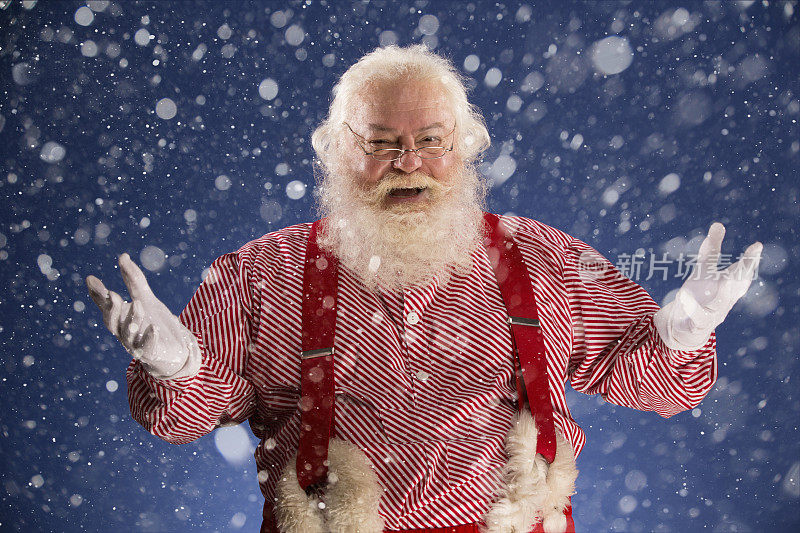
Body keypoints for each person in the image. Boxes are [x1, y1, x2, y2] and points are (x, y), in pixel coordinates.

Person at [85, 45, 762, 533]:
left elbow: (655, 384)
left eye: (431, 139)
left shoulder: (542, 254)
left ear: (465, 147)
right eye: (380, 141)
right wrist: (178, 367)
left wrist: (683, 331)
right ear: (335, 150)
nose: (408, 164)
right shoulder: (260, 273)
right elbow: (188, 418)